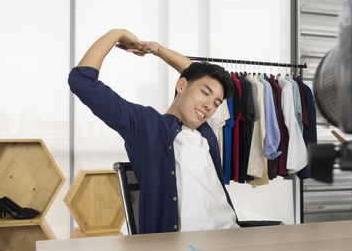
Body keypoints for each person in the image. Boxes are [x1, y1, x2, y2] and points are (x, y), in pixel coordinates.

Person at [68, 29, 240, 234]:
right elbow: (82, 82)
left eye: (216, 103)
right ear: (181, 85)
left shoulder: (205, 132)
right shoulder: (145, 125)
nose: (209, 106)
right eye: (204, 93)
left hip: (232, 234)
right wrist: (118, 33)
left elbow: (194, 72)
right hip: (187, 243)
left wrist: (158, 50)